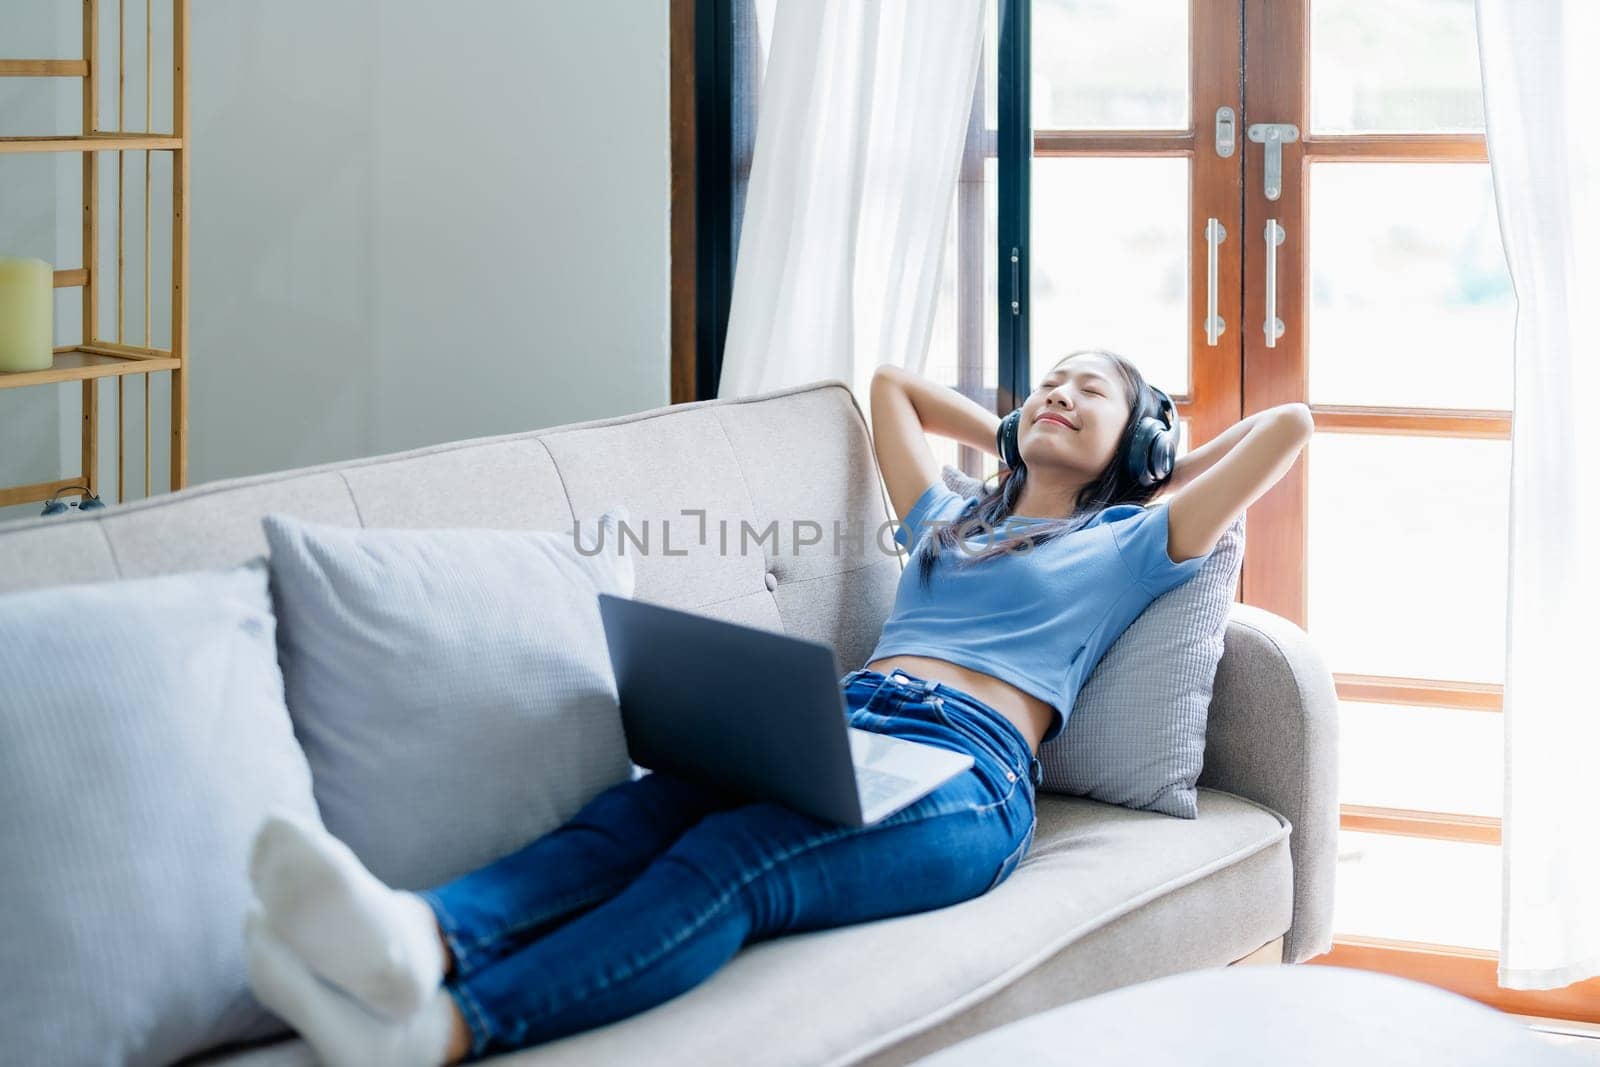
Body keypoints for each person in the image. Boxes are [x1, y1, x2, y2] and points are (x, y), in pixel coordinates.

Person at [242, 349, 1313, 1064]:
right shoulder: (945, 517)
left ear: (1136, 443)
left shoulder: (1130, 543)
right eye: (1048, 381)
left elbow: (1287, 428)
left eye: (1091, 391)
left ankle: (448, 1026)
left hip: (967, 775)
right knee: (643, 810)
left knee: (734, 862)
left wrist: (1155, 469)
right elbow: (888, 386)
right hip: (842, 721)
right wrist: (1004, 428)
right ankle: (422, 932)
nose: (1058, 394)